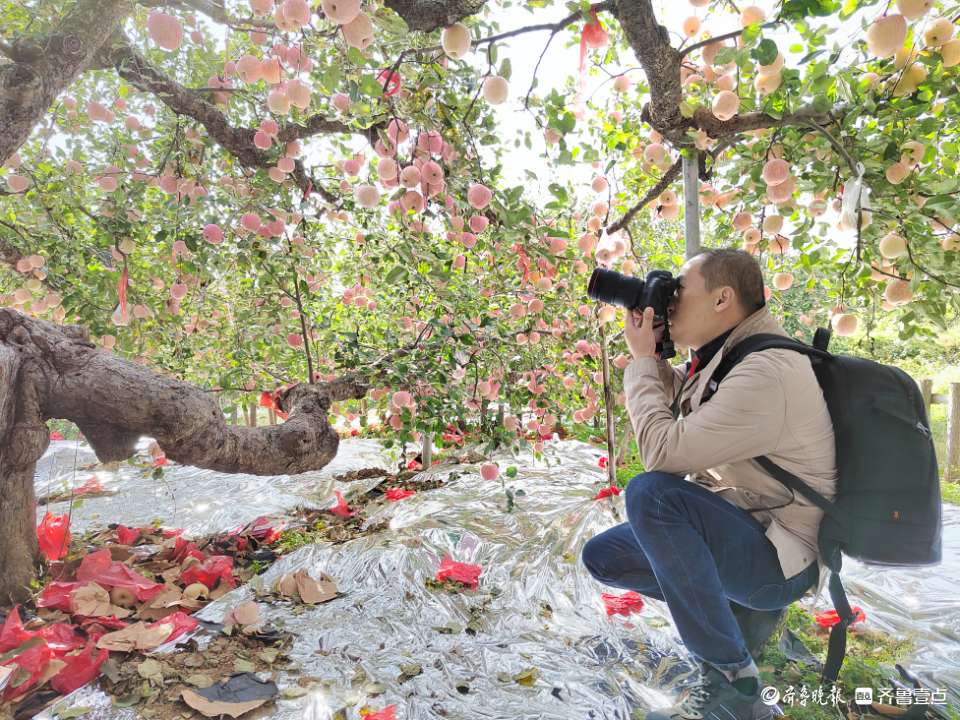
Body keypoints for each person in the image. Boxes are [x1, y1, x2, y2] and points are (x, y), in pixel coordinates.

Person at [582, 248, 837, 720]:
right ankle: (736, 614)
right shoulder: (727, 357)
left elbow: (661, 455)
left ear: (722, 299)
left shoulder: (766, 370)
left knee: (651, 495)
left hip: (784, 556)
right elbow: (670, 396)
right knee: (604, 557)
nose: (671, 303)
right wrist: (656, 353)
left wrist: (640, 359)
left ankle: (732, 680)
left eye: (680, 291)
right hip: (750, 523)